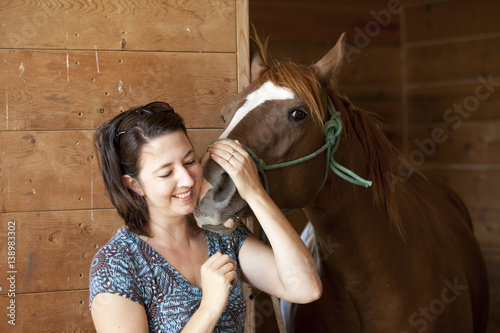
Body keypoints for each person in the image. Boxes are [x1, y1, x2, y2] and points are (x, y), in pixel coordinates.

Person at [89, 101, 322, 332]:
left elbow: (306, 287)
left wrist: (254, 193)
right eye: (167, 173)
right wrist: (209, 308)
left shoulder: (222, 235)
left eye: (190, 161)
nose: (188, 179)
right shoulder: (116, 264)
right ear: (134, 184)